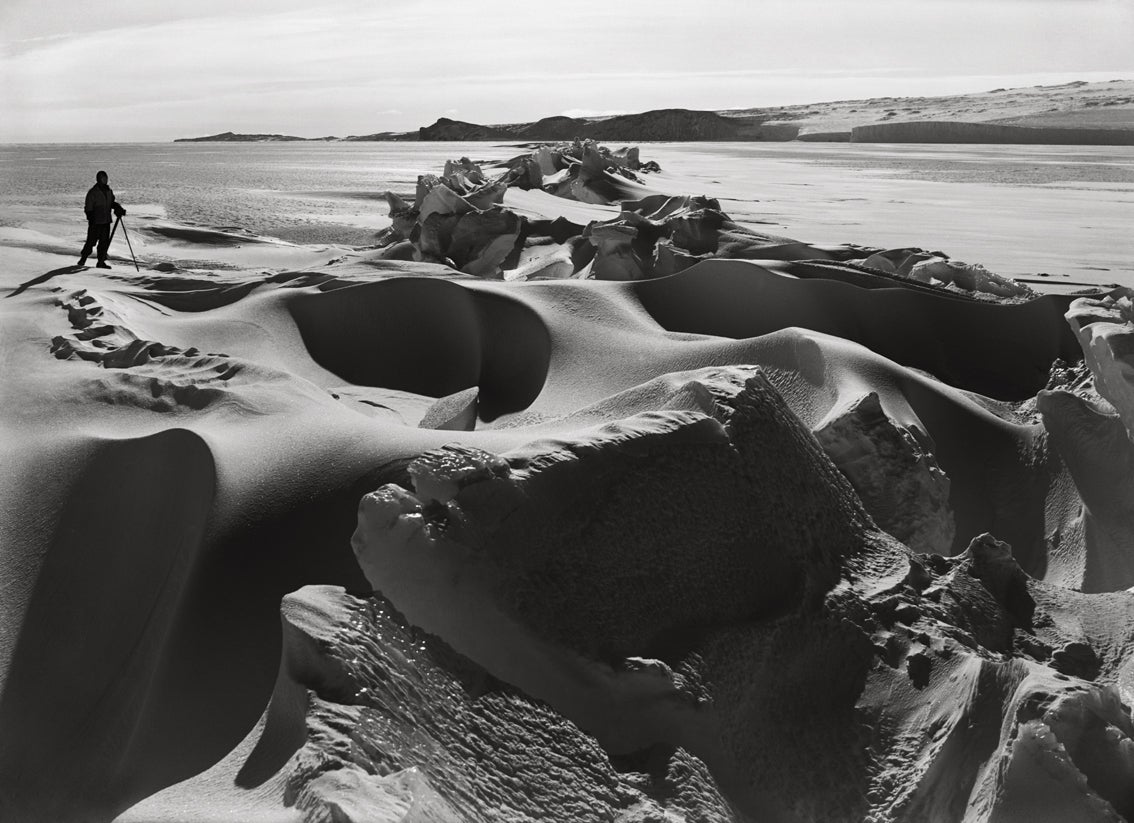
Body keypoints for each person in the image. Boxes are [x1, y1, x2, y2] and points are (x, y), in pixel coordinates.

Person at [78, 170, 126, 268]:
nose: (105, 180)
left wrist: (118, 208)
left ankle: (101, 262)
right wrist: (91, 219)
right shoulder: (93, 192)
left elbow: (111, 203)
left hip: (106, 221)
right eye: (103, 178)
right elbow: (88, 208)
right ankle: (83, 259)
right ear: (99, 179)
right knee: (91, 242)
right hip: (95, 222)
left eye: (106, 178)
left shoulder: (109, 191)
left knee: (104, 244)